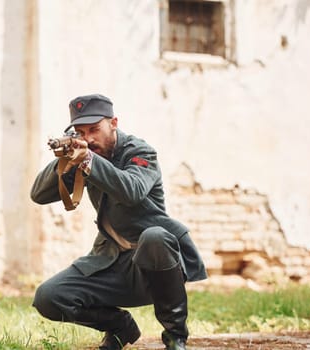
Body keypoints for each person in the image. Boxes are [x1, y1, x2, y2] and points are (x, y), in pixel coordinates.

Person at [30, 94, 207, 350]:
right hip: (112, 259)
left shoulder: (139, 151)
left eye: (94, 129)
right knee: (49, 297)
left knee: (155, 236)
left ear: (113, 123)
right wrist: (66, 158)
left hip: (155, 262)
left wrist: (89, 161)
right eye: (81, 132)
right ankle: (119, 327)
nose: (89, 138)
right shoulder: (84, 154)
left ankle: (175, 334)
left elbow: (131, 190)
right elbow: (39, 195)